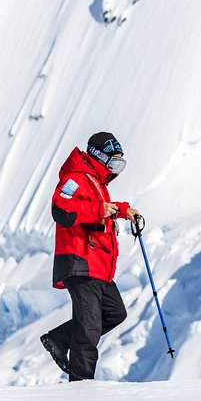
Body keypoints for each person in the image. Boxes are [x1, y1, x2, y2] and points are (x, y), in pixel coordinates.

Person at [40, 132, 143, 381]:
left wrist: (123, 211)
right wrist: (98, 209)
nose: (116, 169)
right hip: (81, 261)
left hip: (98, 265)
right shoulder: (75, 178)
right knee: (89, 328)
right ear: (99, 156)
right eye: (114, 162)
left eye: (120, 164)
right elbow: (60, 208)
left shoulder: (97, 183)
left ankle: (59, 339)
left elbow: (99, 209)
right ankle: (81, 387)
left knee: (114, 312)